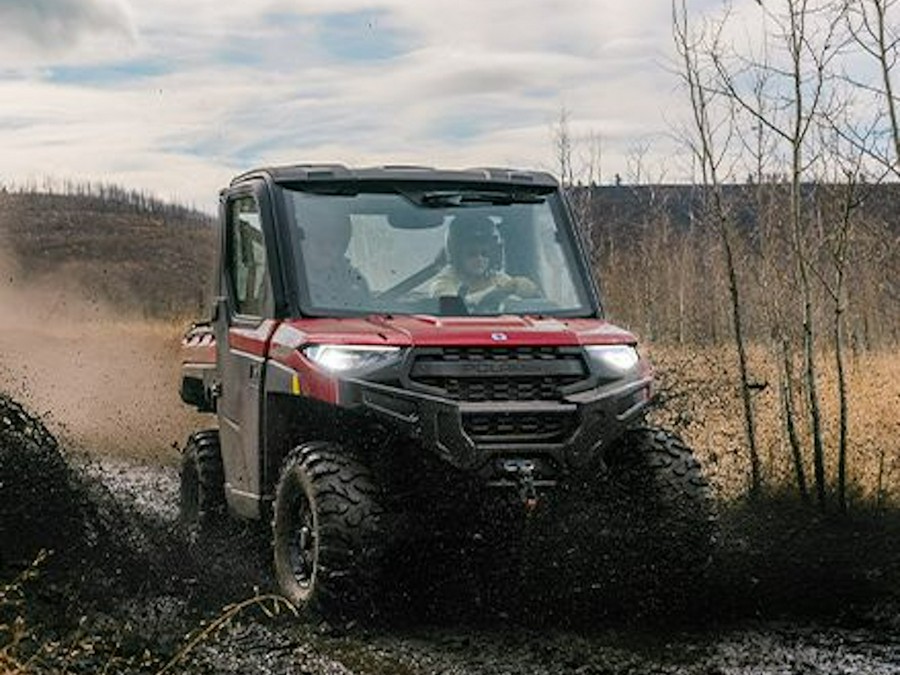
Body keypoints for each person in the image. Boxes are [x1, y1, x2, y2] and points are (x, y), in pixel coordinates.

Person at [431, 213, 540, 309]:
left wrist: (525, 287)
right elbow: (454, 307)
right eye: (472, 254)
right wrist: (500, 292)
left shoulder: (497, 278)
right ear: (457, 255)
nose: (480, 259)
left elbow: (524, 299)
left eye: (485, 254)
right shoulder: (444, 282)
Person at [300, 215, 370, 309]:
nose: (326, 249)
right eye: (320, 242)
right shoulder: (289, 279)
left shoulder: (354, 281)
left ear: (342, 247)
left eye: (333, 243)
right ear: (305, 243)